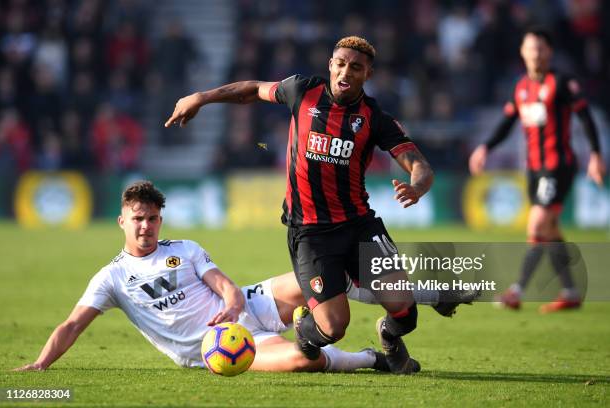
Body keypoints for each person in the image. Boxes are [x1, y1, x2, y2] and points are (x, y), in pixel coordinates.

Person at [165, 36, 434, 374]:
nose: (346, 72)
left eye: (356, 67)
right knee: (334, 328)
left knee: (405, 312)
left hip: (359, 225)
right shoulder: (302, 91)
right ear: (330, 65)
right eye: (340, 64)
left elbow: (419, 164)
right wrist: (201, 97)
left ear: (368, 74)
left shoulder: (374, 117)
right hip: (310, 233)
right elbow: (251, 89)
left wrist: (418, 187)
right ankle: (307, 330)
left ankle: (390, 338)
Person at [14, 181, 393, 373]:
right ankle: (370, 359)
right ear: (122, 222)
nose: (145, 227)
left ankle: (418, 295)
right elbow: (72, 325)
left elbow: (225, 286)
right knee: (304, 361)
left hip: (250, 303)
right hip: (221, 345)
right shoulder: (110, 278)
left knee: (325, 275)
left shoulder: (185, 249)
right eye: (137, 219)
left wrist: (232, 304)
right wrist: (41, 364)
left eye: (152, 219)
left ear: (160, 220)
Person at [468, 28, 606, 313]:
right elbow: (507, 123)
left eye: (541, 48)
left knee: (537, 226)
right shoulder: (520, 88)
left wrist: (595, 155)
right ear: (523, 52)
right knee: (551, 230)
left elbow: (586, 117)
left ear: (549, 52)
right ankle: (569, 291)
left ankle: (516, 290)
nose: (536, 54)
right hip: (533, 169)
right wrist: (485, 147)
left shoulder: (562, 82)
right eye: (531, 48)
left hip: (558, 166)